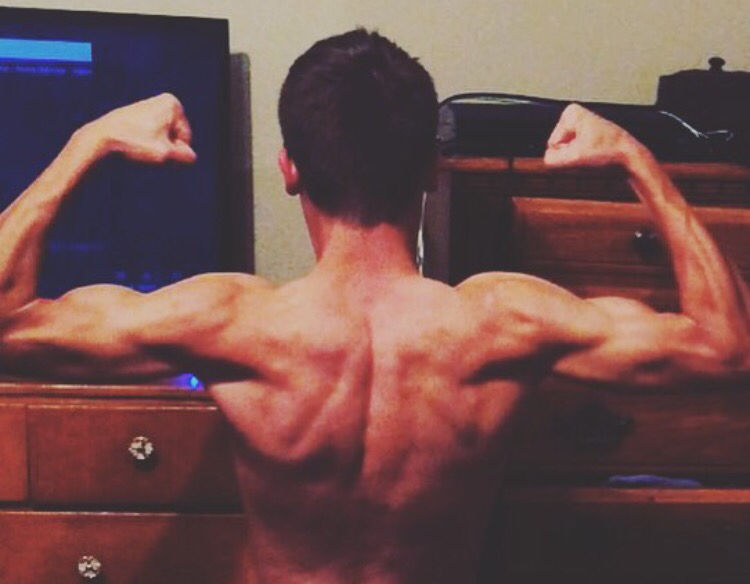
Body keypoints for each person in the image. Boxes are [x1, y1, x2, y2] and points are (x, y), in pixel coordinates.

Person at [0, 28, 749, 583]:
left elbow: (8, 320)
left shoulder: (234, 321)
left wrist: (87, 141)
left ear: (289, 170)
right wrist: (638, 159)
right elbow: (725, 344)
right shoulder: (503, 321)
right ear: (430, 167)